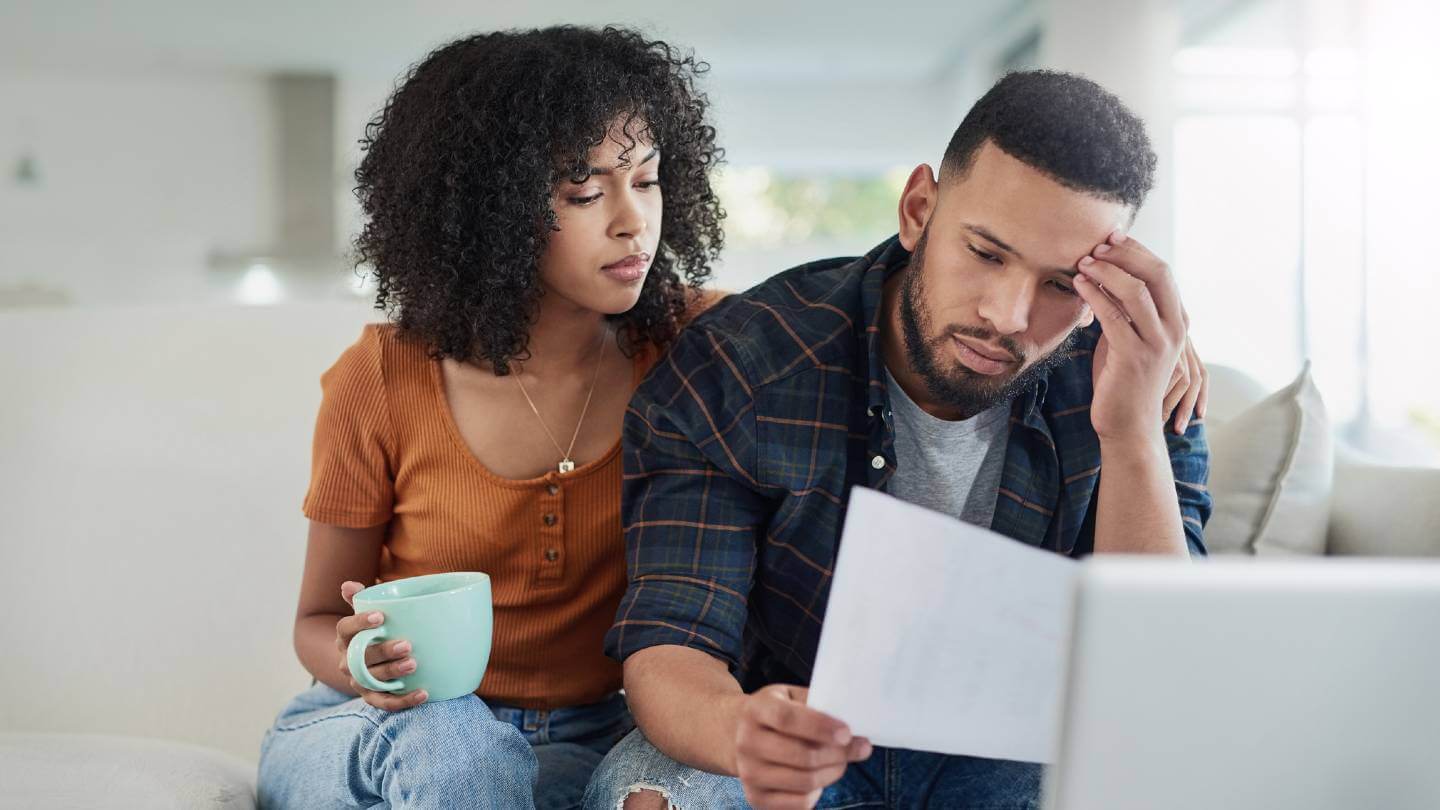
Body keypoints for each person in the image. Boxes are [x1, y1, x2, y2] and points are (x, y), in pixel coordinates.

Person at [584, 70, 1212, 810]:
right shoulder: (747, 360)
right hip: (799, 727)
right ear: (919, 211)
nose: (1008, 316)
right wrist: (742, 728)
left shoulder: (1139, 376)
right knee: (650, 795)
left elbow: (1156, 683)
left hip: (1012, 757)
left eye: (1061, 286)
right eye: (985, 253)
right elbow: (672, 639)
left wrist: (1130, 431)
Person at [256, 25, 724, 810]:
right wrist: (368, 665)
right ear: (488, 213)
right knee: (460, 750)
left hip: (594, 736)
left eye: (646, 180)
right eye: (583, 192)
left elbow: (841, 321)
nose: (631, 221)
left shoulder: (691, 344)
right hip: (390, 729)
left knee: (691, 778)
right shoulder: (384, 376)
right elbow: (313, 622)